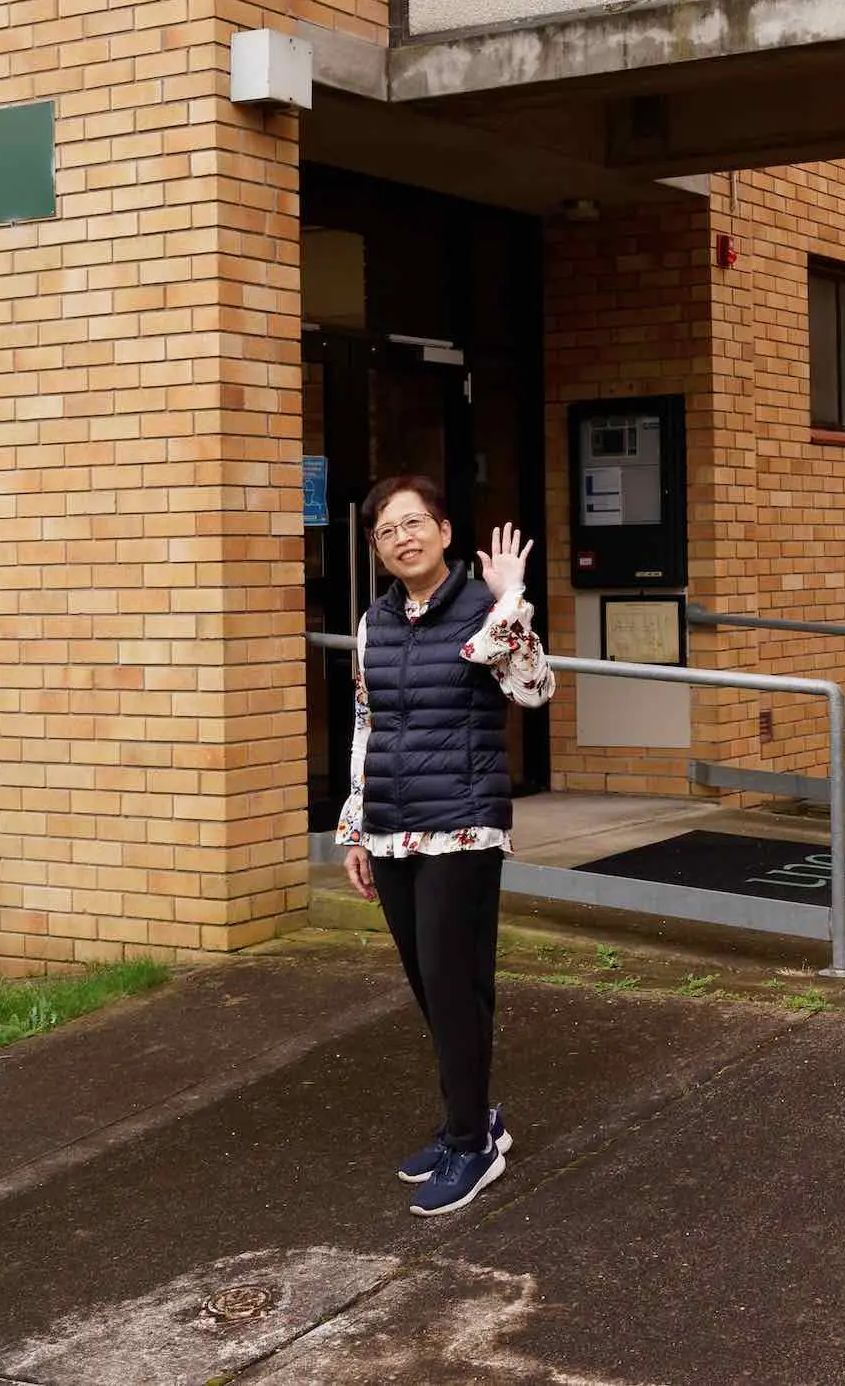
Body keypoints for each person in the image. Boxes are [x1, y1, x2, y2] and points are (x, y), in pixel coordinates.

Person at [336, 475, 554, 1216]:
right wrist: (356, 827)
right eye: (387, 530)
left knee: (451, 977)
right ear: (376, 547)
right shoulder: (374, 621)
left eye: (414, 521)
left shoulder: (485, 605)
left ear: (444, 529)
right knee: (433, 985)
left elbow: (534, 690)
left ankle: (472, 1144)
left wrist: (512, 599)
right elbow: (367, 724)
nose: (403, 537)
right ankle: (475, 1115)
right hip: (393, 824)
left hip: (463, 822)